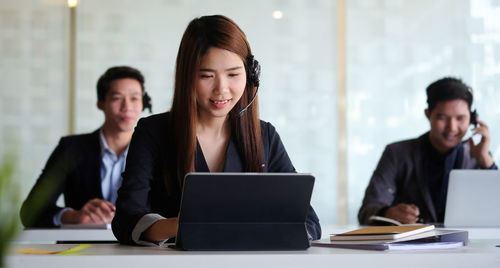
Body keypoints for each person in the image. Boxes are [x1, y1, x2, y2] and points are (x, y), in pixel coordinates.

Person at [111, 15, 321, 245]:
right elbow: (126, 219)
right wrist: (182, 224)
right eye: (207, 76)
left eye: (233, 74)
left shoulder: (265, 136)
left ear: (250, 75)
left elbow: (308, 222)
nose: (222, 89)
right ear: (186, 77)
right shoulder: (153, 132)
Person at [20, 66, 152, 227]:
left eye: (134, 98)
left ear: (143, 103)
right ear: (100, 103)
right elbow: (30, 211)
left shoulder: (154, 150)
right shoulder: (71, 148)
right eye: (117, 98)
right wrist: (74, 216)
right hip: (79, 249)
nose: (127, 107)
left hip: (138, 250)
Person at [358, 77, 497, 225]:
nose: (452, 128)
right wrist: (387, 213)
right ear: (428, 114)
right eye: (442, 118)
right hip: (412, 246)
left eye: (460, 118)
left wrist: (487, 163)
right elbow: (366, 211)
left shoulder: (479, 156)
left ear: (472, 119)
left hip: (468, 246)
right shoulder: (397, 153)